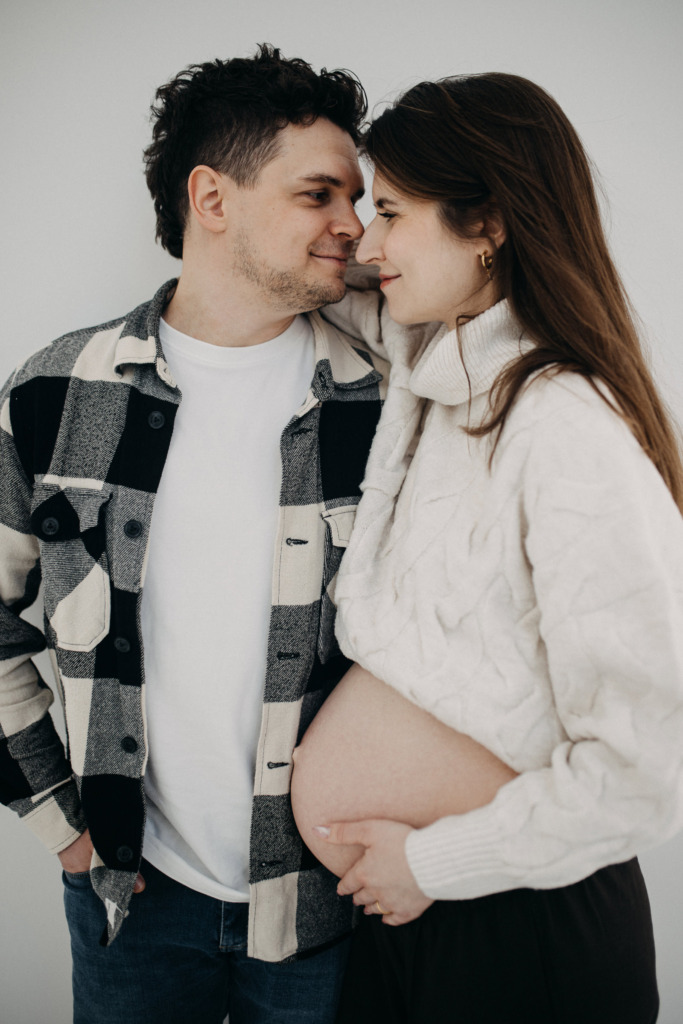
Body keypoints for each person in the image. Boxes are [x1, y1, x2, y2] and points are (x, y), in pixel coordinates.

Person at [0, 44, 390, 1024]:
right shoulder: (54, 392)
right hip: (129, 895)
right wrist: (63, 827)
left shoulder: (388, 402)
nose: (353, 224)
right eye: (318, 194)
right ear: (210, 198)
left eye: (355, 197)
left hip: (325, 904)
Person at [291, 72, 683, 1023]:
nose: (366, 243)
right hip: (414, 914)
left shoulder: (563, 425)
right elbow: (325, 283)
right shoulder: (440, 362)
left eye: (390, 212)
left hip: (521, 922)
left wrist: (435, 862)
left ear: (489, 224)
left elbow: (652, 762)